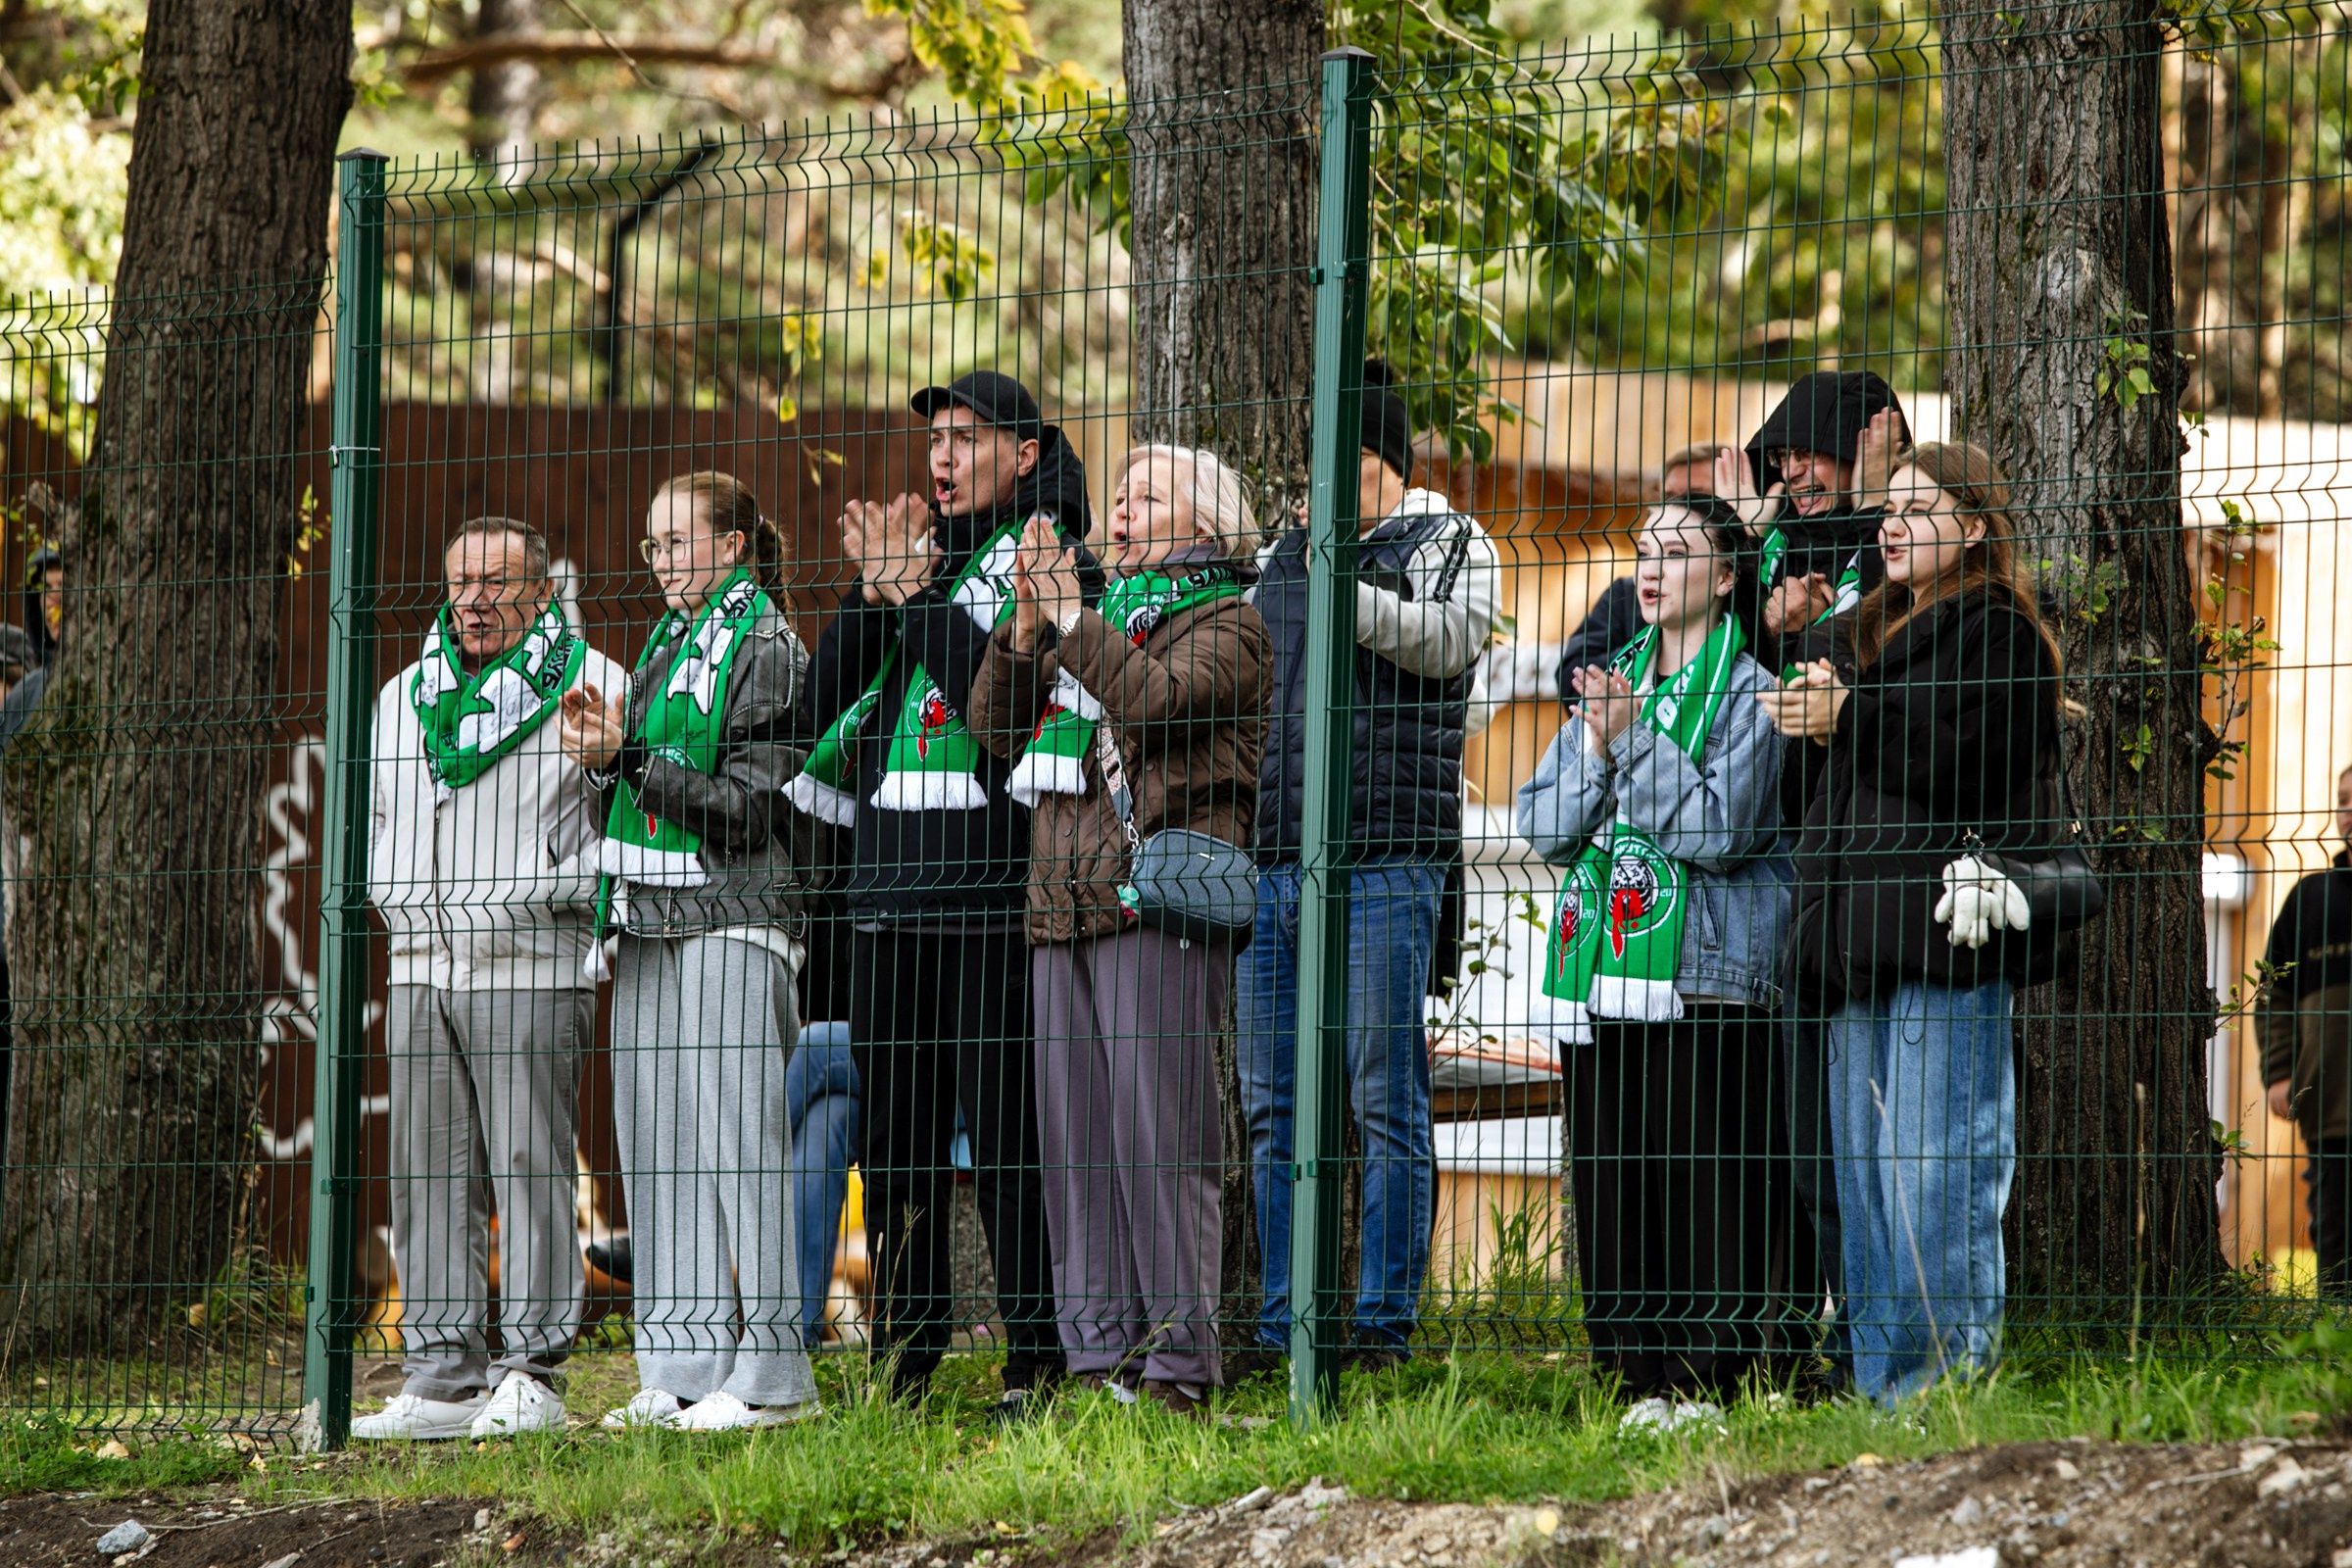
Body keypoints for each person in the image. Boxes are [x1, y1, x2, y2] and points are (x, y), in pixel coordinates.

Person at [791, 369, 1092, 1417]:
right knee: (897, 1143)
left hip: (991, 893)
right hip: (885, 896)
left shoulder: (1052, 561)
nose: (943, 457)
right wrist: (873, 592)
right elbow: (818, 703)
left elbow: (991, 705)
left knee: (1008, 1138)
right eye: (935, 440)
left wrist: (913, 595)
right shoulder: (921, 557)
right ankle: (904, 1365)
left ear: (1023, 451)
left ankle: (1036, 1361)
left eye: (968, 438)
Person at [969, 443, 1272, 1418]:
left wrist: (1068, 616)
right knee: (1077, 1150)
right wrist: (1023, 631)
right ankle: (1100, 1363)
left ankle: (1181, 1367)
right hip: (1060, 905)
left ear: (1207, 522)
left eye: (1148, 496)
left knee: (1161, 1141)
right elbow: (989, 729)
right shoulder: (1082, 622)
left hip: (1157, 903)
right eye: (1124, 494)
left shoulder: (1231, 620)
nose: (1124, 509)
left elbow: (1153, 701)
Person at [1760, 441, 2061, 1406]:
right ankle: (1881, 1388)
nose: (1890, 522)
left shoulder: (2002, 630)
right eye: (1887, 506)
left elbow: (1963, 761)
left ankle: (1948, 1389)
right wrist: (1803, 704)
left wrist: (1850, 718)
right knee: (1867, 1184)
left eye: (1917, 507)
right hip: (1854, 947)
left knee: (1938, 1176)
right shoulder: (1862, 633)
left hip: (1944, 938)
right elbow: (1833, 798)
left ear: (1972, 527)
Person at [1238, 362, 1501, 1369]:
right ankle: (1282, 1326)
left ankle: (1382, 1330)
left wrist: (1334, 582)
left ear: (1376, 460)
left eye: (1332, 457)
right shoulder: (1284, 553)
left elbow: (1447, 644)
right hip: (1275, 860)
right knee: (1274, 1106)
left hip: (1388, 857)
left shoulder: (1453, 543)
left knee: (1384, 1098)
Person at [559, 470, 820, 1432]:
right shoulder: (670, 643)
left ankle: (775, 1373)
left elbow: (751, 807)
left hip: (734, 919)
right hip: (651, 918)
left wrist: (626, 757)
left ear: (736, 544)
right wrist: (603, 758)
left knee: (737, 1147)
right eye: (652, 545)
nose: (661, 560)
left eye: (677, 541)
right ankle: (677, 1369)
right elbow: (644, 782)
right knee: (659, 1148)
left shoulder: (766, 646)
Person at [1517, 493, 1790, 1403]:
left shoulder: (1754, 694)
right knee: (1615, 1180)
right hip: (1601, 970)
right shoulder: (1608, 682)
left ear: (1723, 578)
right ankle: (1634, 1379)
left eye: (1678, 552)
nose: (1652, 566)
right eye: (1643, 549)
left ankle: (1707, 1378)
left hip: (1704, 978)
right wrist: (1603, 745)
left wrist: (1629, 739)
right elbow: (1544, 827)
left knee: (1700, 1182)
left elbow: (1719, 831)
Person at [356, 516, 622, 1441]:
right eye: (460, 580)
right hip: (421, 962)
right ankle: (440, 1377)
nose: (472, 599)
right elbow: (383, 818)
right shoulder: (401, 696)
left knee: (528, 1165)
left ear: (541, 593)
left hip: (530, 961)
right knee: (426, 1174)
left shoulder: (595, 686)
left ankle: (533, 1372)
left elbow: (612, 831)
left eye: (496, 584)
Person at [2257, 764, 2352, 1298]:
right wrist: (2278, 1072)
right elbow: (2273, 991)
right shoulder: (2310, 900)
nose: (2348, 812)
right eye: (2343, 801)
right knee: (2336, 1237)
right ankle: (2339, 1347)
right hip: (2332, 1110)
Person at [1552, 441, 1731, 692]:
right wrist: (1654, 651)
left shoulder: (1758, 582)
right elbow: (1573, 674)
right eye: (1670, 497)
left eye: (1696, 496)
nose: (1679, 507)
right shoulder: (1627, 592)